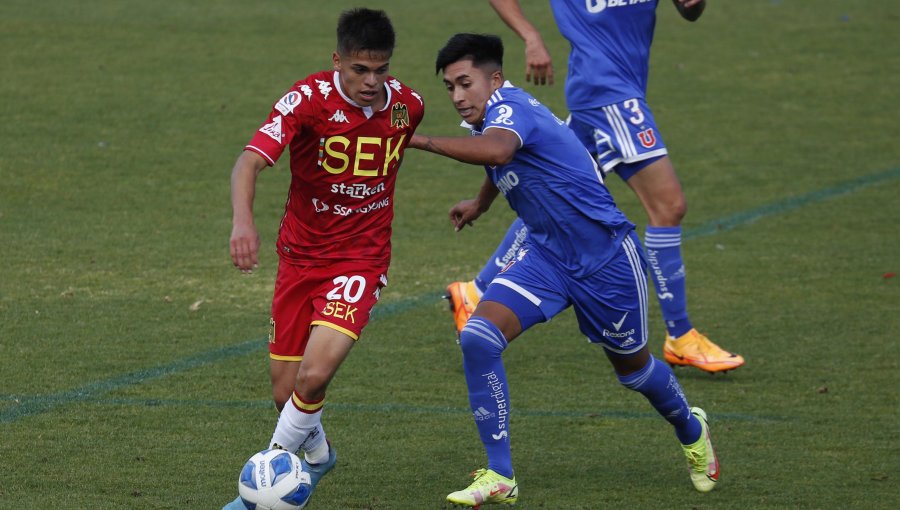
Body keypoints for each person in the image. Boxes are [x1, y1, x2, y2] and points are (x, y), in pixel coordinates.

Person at [409, 33, 718, 507]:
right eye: (450, 87)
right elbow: (499, 161)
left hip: (606, 259)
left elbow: (499, 152)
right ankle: (500, 474)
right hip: (547, 258)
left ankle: (691, 428)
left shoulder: (510, 108)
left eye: (464, 83)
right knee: (478, 337)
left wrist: (420, 140)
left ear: (494, 79)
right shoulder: (491, 119)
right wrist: (480, 203)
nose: (456, 96)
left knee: (633, 371)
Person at [444, 0, 744, 374]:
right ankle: (681, 336)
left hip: (614, 91)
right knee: (668, 206)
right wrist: (532, 36)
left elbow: (690, 9)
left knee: (562, 192)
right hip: (607, 95)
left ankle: (474, 291)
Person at [222, 8, 424, 509]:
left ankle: (260, 494)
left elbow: (399, 136)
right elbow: (249, 161)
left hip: (361, 260)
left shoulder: (408, 106)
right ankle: (319, 453)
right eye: (360, 70)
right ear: (338, 61)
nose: (372, 82)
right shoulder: (307, 102)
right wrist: (243, 222)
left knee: (314, 377)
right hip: (299, 259)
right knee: (286, 391)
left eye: (381, 70)